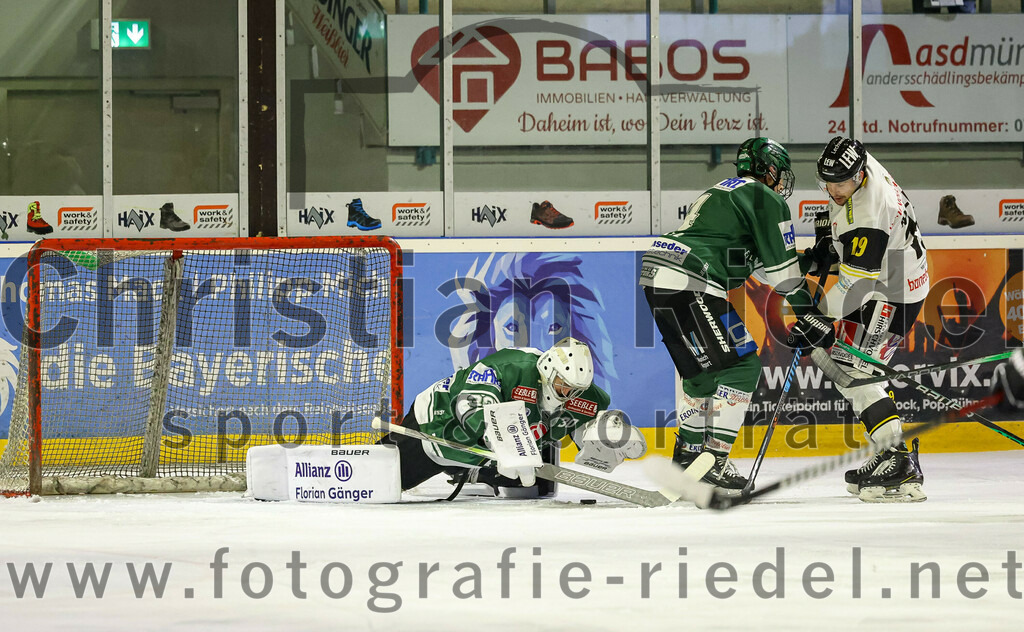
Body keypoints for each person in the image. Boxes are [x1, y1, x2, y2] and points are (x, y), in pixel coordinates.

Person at [639, 137, 814, 495]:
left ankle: (687, 456)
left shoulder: (726, 193)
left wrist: (813, 260)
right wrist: (809, 314)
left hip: (659, 272)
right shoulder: (767, 198)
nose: (782, 182)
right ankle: (714, 461)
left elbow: (764, 269)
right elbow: (783, 277)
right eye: (779, 173)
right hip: (694, 279)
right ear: (769, 170)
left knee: (702, 374)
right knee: (743, 366)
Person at [791, 136, 930, 503]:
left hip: (891, 292)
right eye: (827, 183)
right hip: (891, 276)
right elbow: (854, 242)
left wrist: (815, 316)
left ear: (860, 175)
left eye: (841, 183)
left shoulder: (869, 210)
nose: (834, 191)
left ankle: (899, 459)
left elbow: (855, 288)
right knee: (845, 368)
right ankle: (890, 453)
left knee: (856, 373)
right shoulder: (859, 169)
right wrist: (833, 247)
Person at [379, 337, 646, 497]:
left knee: (532, 488)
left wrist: (607, 440)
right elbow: (468, 407)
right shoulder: (510, 367)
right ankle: (461, 466)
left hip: (494, 447)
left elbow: (581, 432)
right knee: (381, 484)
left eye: (576, 389)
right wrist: (504, 445)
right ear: (547, 371)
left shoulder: (587, 397)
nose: (569, 394)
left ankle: (475, 472)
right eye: (564, 385)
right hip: (439, 424)